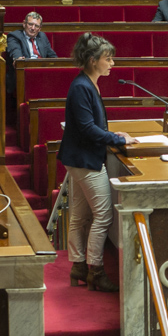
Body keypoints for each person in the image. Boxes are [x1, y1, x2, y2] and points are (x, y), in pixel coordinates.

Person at [57, 33, 139, 293]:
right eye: (108, 58)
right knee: (103, 215)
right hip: (85, 161)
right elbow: (87, 128)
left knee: (80, 216)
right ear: (93, 61)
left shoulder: (86, 83)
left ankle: (79, 266)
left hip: (79, 159)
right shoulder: (81, 87)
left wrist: (116, 134)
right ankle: (96, 270)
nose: (113, 63)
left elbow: (93, 126)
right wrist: (116, 138)